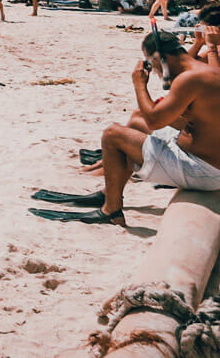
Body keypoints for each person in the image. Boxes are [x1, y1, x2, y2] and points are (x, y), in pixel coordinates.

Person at [36, 32, 220, 225]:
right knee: (136, 119)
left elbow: (154, 122)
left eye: (150, 63)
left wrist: (139, 84)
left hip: (203, 171)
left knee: (112, 134)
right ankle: (110, 193)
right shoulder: (203, 70)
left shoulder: (189, 79)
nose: (154, 70)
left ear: (158, 58)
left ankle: (111, 212)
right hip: (204, 158)